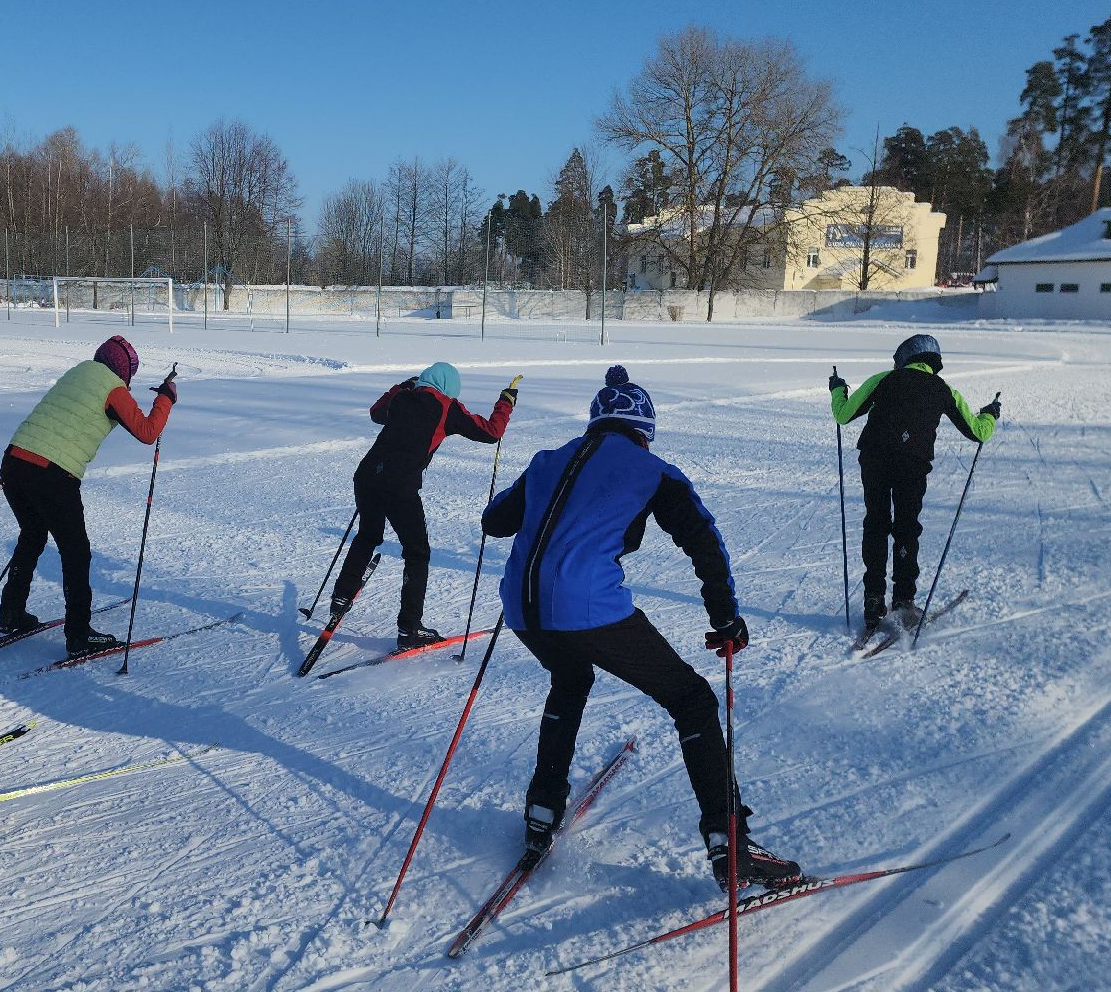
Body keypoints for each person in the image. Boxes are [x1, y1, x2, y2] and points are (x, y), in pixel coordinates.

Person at [481, 366, 800, 892]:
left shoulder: (547, 459)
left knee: (570, 678)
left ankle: (542, 809)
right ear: (645, 429)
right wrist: (724, 618)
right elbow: (704, 540)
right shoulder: (653, 470)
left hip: (520, 606)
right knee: (692, 700)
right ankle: (731, 843)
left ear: (595, 422)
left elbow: (495, 521)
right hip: (588, 606)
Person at [0, 335, 176, 656]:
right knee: (76, 552)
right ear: (125, 371)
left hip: (14, 461)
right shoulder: (114, 389)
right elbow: (148, 432)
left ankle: (12, 611)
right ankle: (79, 633)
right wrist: (166, 398)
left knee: (33, 534)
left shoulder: (78, 372)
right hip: (51, 472)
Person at [329, 362, 514, 649]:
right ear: (449, 389)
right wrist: (506, 402)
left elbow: (376, 413)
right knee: (417, 554)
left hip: (367, 477)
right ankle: (409, 629)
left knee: (367, 535)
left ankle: (342, 595)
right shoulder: (447, 407)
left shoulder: (403, 397)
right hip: (399, 487)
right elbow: (492, 433)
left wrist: (402, 385)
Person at [830, 333, 999, 635]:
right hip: (913, 463)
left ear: (904, 358)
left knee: (876, 523)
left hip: (875, 458)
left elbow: (843, 415)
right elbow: (978, 433)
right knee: (907, 527)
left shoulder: (883, 379)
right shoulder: (944, 389)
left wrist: (838, 389)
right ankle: (904, 601)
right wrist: (989, 414)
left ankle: (873, 599)